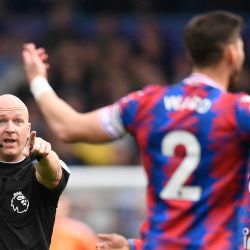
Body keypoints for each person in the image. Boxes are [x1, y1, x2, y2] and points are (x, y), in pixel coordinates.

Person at [22, 10, 249, 249]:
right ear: (232, 54)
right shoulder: (238, 111)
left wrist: (38, 79)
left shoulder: (147, 103)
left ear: (191, 54)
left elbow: (69, 127)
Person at [0, 94, 70, 249]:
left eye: (18, 122)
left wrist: (43, 156)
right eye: (1, 121)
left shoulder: (37, 167)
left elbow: (53, 175)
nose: (10, 129)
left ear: (28, 129)